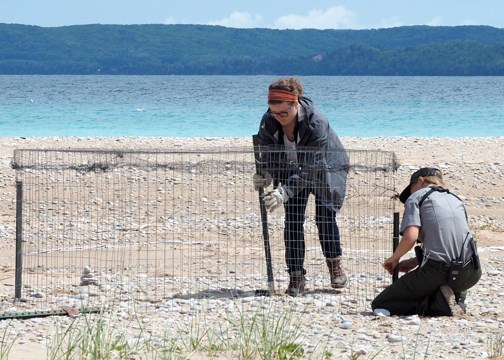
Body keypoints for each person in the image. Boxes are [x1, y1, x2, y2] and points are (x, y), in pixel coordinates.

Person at [253, 77, 349, 296]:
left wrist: (285, 190)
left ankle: (335, 268)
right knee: (293, 221)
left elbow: (313, 165)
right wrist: (266, 173)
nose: (278, 118)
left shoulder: (316, 121)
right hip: (291, 168)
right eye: (274, 113)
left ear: (295, 104)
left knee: (325, 217)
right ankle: (296, 277)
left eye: (283, 114)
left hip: (326, 168)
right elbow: (267, 151)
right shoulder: (269, 120)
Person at [372, 167, 482, 316]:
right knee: (441, 280)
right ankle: (458, 301)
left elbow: (410, 237)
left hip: (438, 271)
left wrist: (394, 259)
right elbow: (451, 242)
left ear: (420, 181)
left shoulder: (417, 197)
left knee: (380, 304)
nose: (411, 194)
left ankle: (438, 306)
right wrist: (415, 261)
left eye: (411, 190)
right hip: (471, 273)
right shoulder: (456, 199)